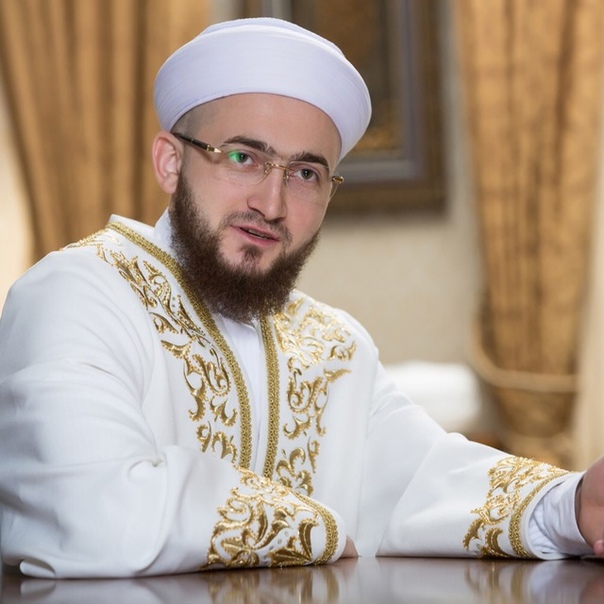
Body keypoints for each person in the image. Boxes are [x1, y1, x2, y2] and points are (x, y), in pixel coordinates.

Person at [0, 17, 604, 579]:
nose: (272, 203)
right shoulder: (78, 293)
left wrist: (571, 505)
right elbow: (91, 509)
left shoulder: (334, 345)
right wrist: (326, 525)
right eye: (244, 157)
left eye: (306, 174)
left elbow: (424, 479)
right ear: (170, 163)